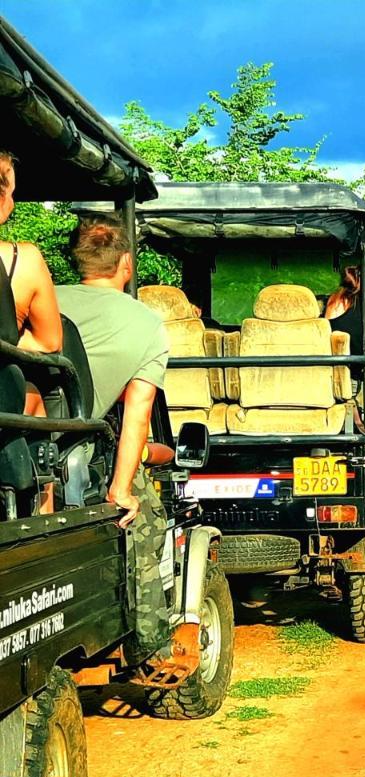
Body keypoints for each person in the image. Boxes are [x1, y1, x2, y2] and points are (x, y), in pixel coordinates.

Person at [54, 213, 171, 660]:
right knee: (147, 521)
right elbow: (137, 414)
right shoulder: (145, 323)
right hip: (78, 446)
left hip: (23, 436)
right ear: (126, 262)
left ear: (77, 260)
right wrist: (121, 490)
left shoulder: (47, 299)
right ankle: (149, 644)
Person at [0, 150, 64, 416]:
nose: (12, 204)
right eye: (11, 193)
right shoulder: (23, 259)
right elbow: (49, 342)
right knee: (31, 395)